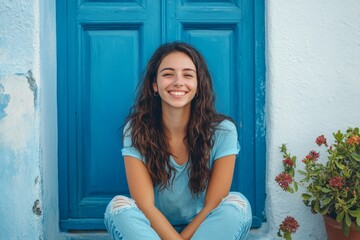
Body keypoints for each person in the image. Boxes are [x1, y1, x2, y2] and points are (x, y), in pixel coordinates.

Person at [104, 42, 252, 240]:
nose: (178, 82)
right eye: (168, 74)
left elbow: (212, 205)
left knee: (237, 205)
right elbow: (145, 205)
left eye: (188, 75)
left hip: (206, 230)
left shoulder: (223, 131)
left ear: (198, 85)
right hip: (151, 230)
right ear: (154, 85)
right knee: (118, 207)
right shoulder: (137, 129)